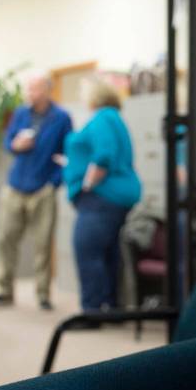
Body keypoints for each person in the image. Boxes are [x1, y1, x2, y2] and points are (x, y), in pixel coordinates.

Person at [0, 73, 73, 310]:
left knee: (42, 244)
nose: (30, 93)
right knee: (4, 238)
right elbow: (8, 142)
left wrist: (54, 183)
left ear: (47, 90)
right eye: (29, 88)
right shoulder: (21, 113)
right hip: (15, 185)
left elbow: (68, 153)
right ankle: (4, 290)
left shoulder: (61, 117)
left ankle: (43, 294)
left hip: (42, 189)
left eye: (35, 88)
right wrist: (15, 144)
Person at [63, 77, 141, 312]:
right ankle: (109, 305)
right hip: (114, 198)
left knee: (88, 251)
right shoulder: (113, 117)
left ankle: (92, 311)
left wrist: (87, 184)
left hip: (101, 197)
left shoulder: (102, 118)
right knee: (108, 253)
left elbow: (104, 155)